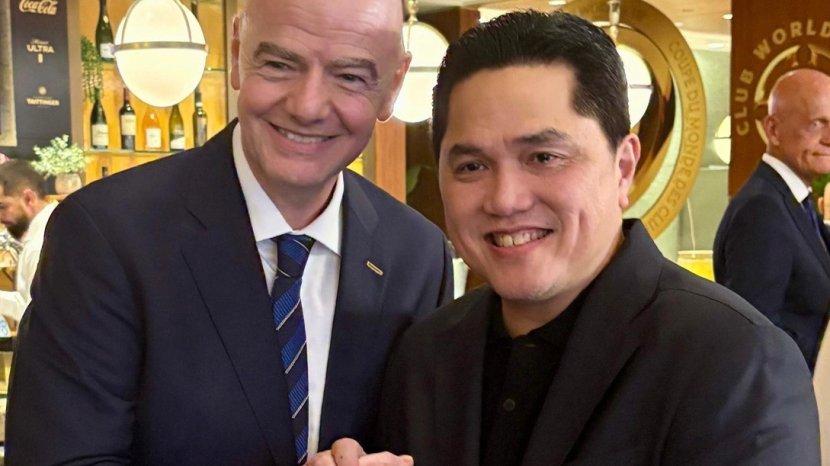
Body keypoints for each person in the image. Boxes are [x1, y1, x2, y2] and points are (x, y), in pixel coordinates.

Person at [311, 11, 819, 466]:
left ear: (623, 167)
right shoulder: (424, 356)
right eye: (472, 166)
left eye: (544, 157)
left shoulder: (735, 361)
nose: (505, 200)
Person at [6, 0, 453, 464]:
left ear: (393, 86)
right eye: (279, 65)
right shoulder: (106, 236)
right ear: (238, 53)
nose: (307, 106)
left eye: (350, 77)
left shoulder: (416, 256)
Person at [714, 69, 830, 371]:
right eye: (817, 123)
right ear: (774, 130)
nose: (829, 139)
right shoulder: (761, 211)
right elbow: (755, 339)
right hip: (789, 395)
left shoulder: (796, 201)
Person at [0, 160, 56, 324]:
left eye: (3, 206)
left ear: (29, 198)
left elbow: (39, 317)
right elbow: (27, 302)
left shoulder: (43, 242)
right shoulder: (48, 229)